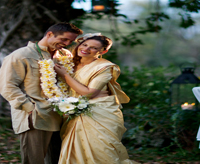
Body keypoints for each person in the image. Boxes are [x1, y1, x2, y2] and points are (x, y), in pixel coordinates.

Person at [0, 22, 83, 164]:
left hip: (61, 115)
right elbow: (7, 86)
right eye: (63, 39)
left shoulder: (64, 55)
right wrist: (29, 107)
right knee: (34, 160)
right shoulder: (21, 55)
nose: (66, 44)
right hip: (36, 116)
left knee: (60, 159)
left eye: (70, 41)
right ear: (49, 34)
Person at [53, 34, 138, 164]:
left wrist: (65, 76)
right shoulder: (69, 63)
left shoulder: (104, 68)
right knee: (76, 152)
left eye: (93, 48)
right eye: (85, 45)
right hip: (74, 112)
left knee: (102, 150)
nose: (86, 49)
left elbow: (89, 93)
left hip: (99, 113)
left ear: (103, 51)